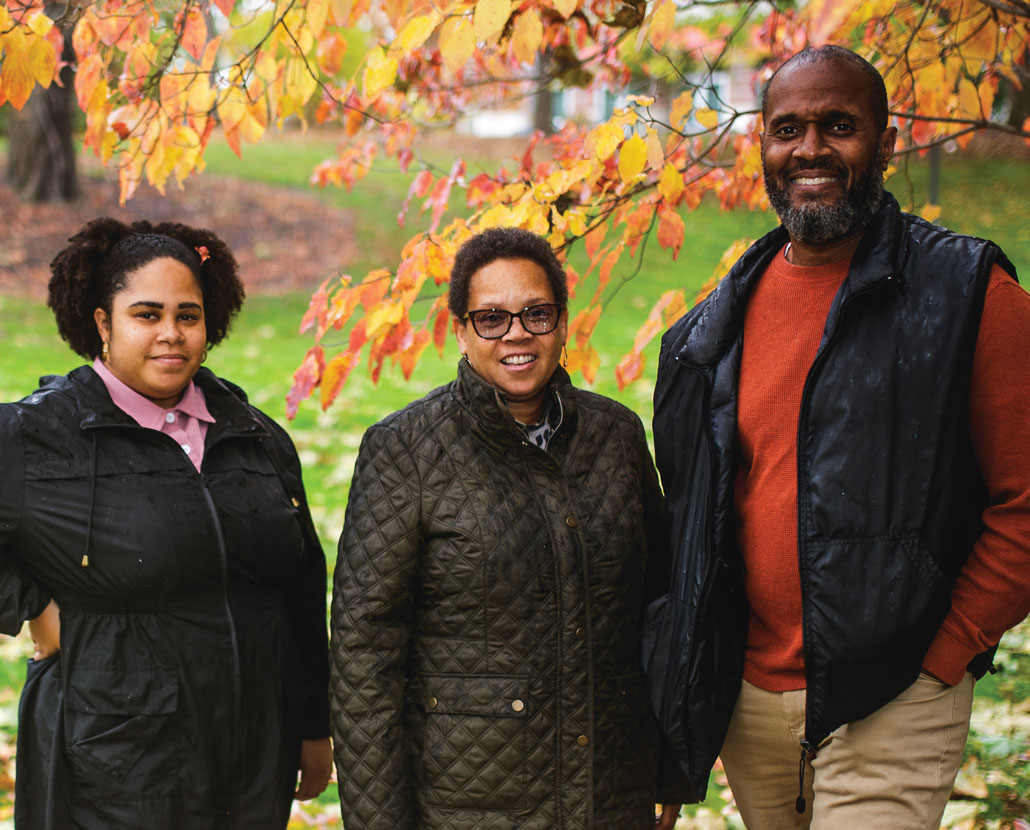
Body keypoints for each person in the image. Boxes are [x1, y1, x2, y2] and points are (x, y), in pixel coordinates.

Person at [645, 45, 1030, 829]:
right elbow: (687, 531)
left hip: (894, 693)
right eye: (787, 128)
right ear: (763, 147)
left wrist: (945, 652)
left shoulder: (967, 296)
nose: (810, 149)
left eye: (839, 126)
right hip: (751, 703)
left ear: (886, 142)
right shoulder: (709, 331)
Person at [330, 227, 686, 829]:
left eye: (536, 314)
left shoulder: (616, 437)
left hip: (610, 795)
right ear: (462, 331)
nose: (517, 333)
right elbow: (364, 657)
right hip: (469, 804)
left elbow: (659, 615)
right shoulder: (405, 451)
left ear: (563, 322)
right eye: (492, 318)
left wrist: (669, 765)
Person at [0, 218, 333, 828]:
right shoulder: (35, 437)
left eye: (188, 315)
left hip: (252, 752)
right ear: (103, 322)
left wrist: (314, 724)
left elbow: (302, 590)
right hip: (113, 762)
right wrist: (32, 603)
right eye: (146, 315)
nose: (171, 335)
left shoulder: (256, 438)